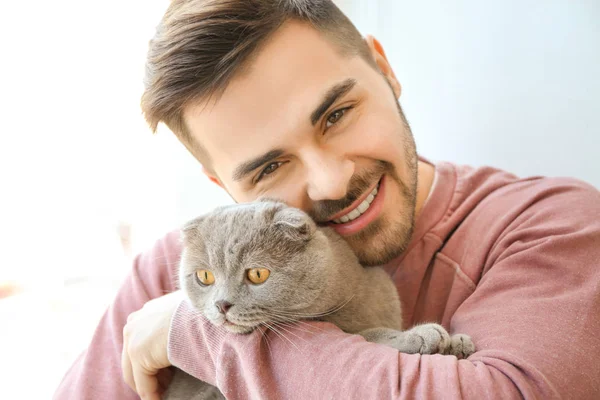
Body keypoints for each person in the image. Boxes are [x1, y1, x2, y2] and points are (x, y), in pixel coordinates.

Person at [54, 1, 600, 399]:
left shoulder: (552, 228)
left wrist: (201, 333)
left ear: (385, 72)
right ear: (223, 185)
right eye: (269, 167)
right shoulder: (178, 269)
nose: (330, 182)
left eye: (336, 115)